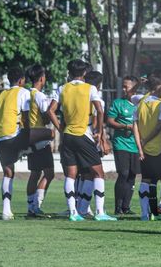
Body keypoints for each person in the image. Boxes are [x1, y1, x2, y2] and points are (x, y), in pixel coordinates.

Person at [58, 60, 115, 221]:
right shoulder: (90, 89)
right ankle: (100, 212)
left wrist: (60, 129)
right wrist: (100, 132)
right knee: (98, 173)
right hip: (84, 134)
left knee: (71, 175)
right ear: (84, 74)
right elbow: (99, 109)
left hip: (68, 135)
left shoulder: (62, 88)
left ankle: (74, 212)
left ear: (69, 73)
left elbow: (51, 110)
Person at [134, 73, 161, 221]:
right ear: (158, 88)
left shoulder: (140, 104)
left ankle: (144, 214)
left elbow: (135, 127)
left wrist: (140, 147)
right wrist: (146, 141)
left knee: (145, 180)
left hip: (145, 150)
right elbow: (159, 127)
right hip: (160, 148)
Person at [0, 67, 31, 220]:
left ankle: (6, 210)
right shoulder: (24, 92)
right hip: (13, 135)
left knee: (8, 173)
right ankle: (25, 151)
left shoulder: (2, 94)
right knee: (48, 136)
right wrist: (28, 137)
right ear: (22, 80)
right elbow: (27, 118)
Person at [25, 65, 61, 217]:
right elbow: (46, 116)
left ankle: (30, 207)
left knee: (35, 173)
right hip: (40, 137)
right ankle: (36, 205)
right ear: (41, 78)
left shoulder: (27, 94)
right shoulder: (39, 96)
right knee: (49, 173)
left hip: (28, 137)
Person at [75, 70, 110, 216]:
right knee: (98, 173)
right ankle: (99, 211)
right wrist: (102, 139)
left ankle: (82, 208)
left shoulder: (78, 95)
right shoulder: (95, 98)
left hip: (75, 135)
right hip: (88, 138)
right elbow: (96, 122)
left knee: (86, 174)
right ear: (99, 85)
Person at [107, 75, 141, 215]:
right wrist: (127, 126)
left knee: (132, 174)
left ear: (134, 88)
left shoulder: (140, 104)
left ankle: (126, 207)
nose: (123, 89)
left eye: (126, 86)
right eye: (123, 86)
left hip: (136, 145)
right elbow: (110, 121)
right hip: (121, 143)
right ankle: (118, 207)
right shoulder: (118, 103)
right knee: (124, 173)